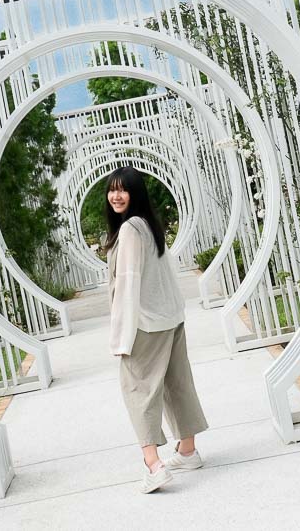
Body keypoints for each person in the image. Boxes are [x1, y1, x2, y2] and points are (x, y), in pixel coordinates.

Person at [105, 166, 208, 494]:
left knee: (137, 390)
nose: (116, 196)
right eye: (112, 190)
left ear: (135, 194)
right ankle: (188, 451)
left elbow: (129, 284)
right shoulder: (150, 225)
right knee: (178, 383)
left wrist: (122, 336)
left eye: (123, 190)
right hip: (170, 318)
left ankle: (153, 464)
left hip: (146, 324)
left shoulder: (130, 230)